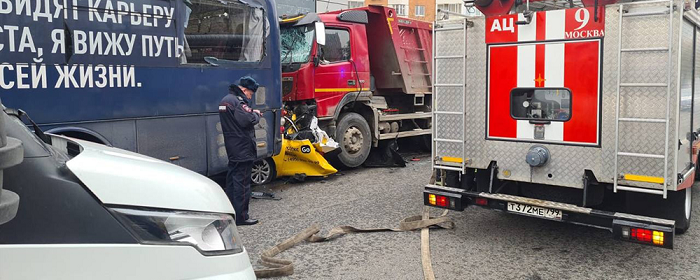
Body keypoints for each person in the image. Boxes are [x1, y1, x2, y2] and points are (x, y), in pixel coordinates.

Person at [219, 76, 262, 226]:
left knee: (231, 182)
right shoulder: (237, 101)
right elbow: (248, 120)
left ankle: (231, 213)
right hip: (243, 148)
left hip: (233, 147)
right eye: (250, 93)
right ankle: (242, 217)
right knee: (242, 184)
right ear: (244, 89)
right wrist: (256, 114)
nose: (250, 96)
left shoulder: (226, 100)